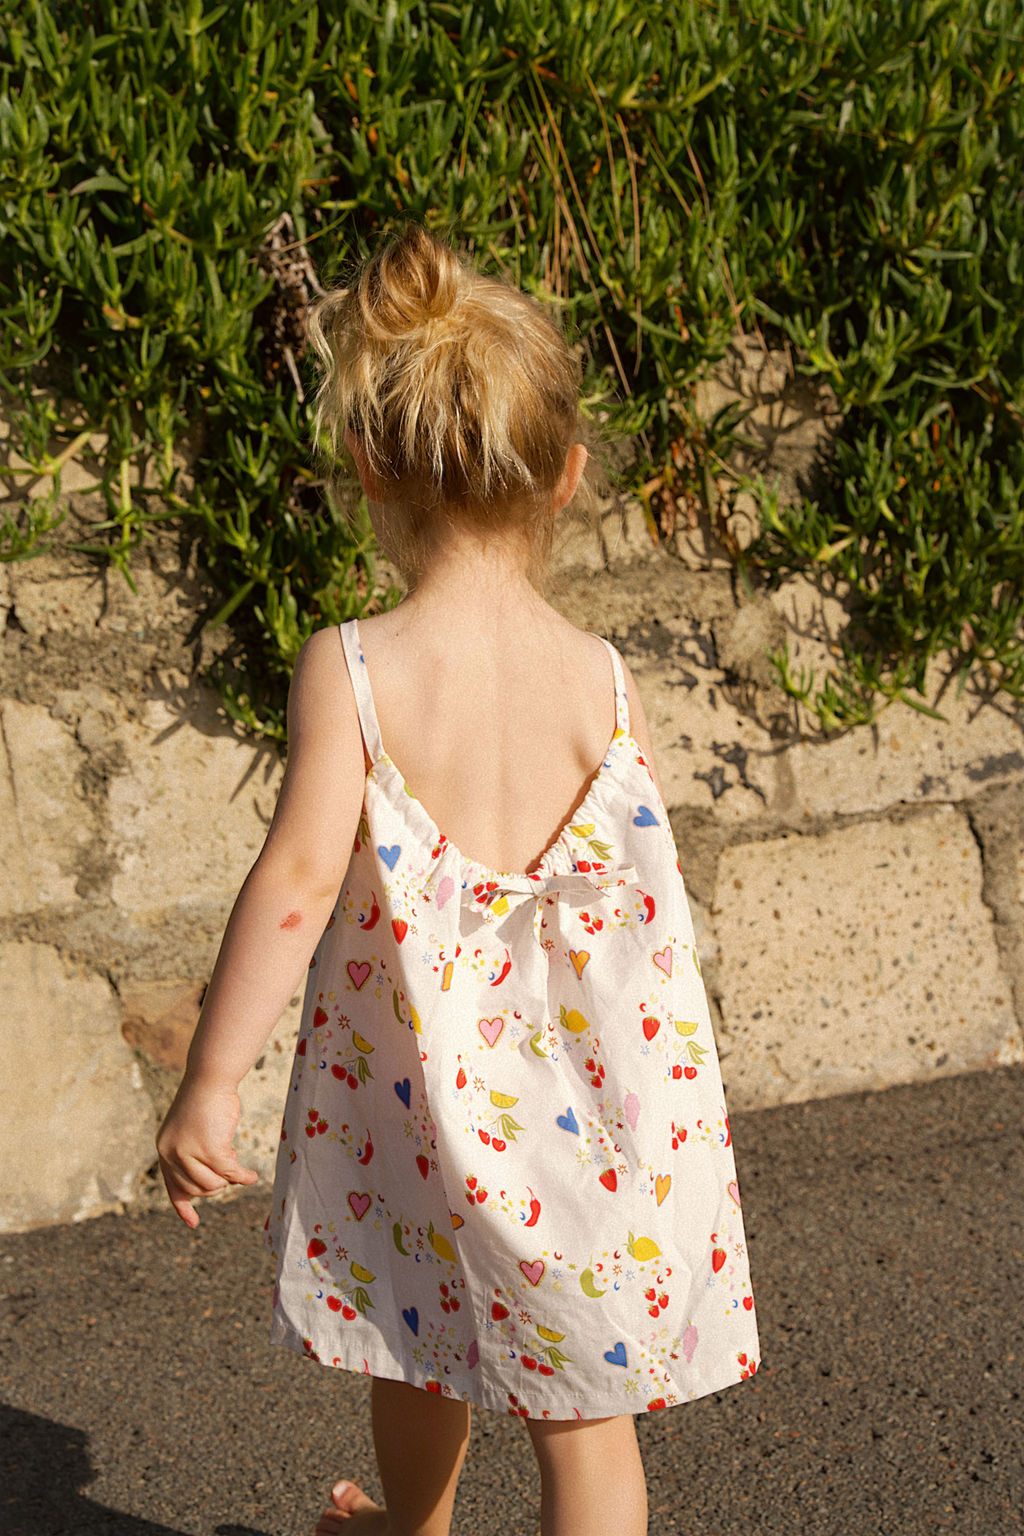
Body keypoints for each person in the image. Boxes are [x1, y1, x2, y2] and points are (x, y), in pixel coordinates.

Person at [157, 224, 759, 1536]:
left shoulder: (359, 665)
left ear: (366, 463)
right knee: (586, 1422)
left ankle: (414, 1531)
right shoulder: (604, 676)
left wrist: (212, 1080)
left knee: (415, 1334)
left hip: (422, 1096)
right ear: (568, 476)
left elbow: (299, 879)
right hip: (596, 1109)